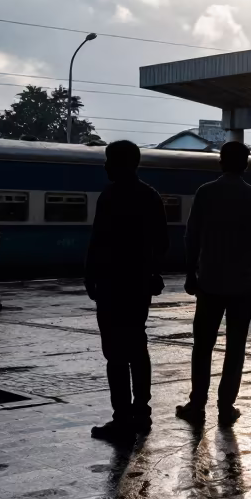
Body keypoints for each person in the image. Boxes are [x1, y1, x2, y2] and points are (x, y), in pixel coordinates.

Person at [178, 141, 251, 426]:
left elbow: (191, 237)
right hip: (243, 285)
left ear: (220, 162)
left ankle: (197, 405)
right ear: (246, 164)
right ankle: (226, 408)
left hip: (209, 281)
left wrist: (190, 273)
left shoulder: (206, 193)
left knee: (203, 345)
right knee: (235, 347)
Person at [85, 140, 169, 441]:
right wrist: (150, 271)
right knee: (137, 345)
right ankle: (142, 413)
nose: (105, 166)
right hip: (138, 285)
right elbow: (162, 243)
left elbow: (98, 241)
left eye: (108, 160)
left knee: (115, 353)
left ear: (120, 163)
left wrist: (90, 275)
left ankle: (121, 417)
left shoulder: (109, 197)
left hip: (111, 283)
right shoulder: (150, 196)